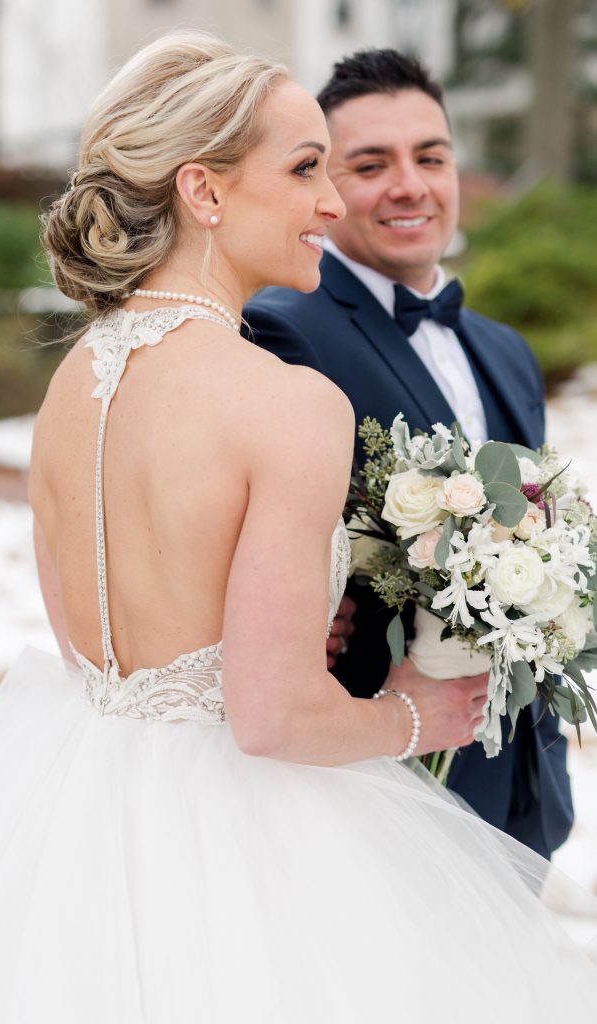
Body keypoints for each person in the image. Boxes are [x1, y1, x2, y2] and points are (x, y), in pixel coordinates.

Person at [0, 32, 595, 1023]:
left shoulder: (71, 384)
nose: (330, 203)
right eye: (307, 167)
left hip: (84, 827)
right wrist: (416, 713)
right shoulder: (287, 403)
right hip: (248, 844)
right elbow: (272, 716)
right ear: (203, 192)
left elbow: (87, 650)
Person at [244, 48, 572, 860]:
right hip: (379, 788)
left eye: (430, 156)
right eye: (369, 163)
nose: (410, 185)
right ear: (322, 184)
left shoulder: (506, 351)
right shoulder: (282, 329)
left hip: (523, 791)